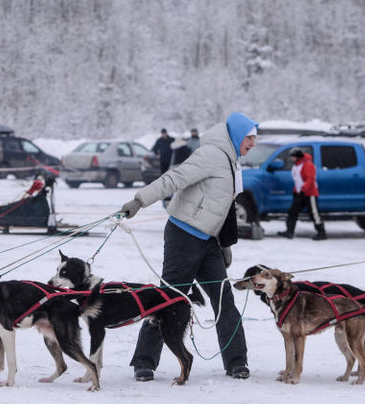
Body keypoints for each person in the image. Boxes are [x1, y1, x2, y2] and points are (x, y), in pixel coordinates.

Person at [119, 112, 257, 382]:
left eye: (254, 138)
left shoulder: (231, 162)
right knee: (167, 299)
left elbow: (224, 205)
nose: (253, 143)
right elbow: (174, 179)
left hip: (208, 242)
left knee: (223, 300)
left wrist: (224, 242)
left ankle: (237, 362)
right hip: (184, 237)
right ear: (238, 136)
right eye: (250, 138)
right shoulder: (211, 155)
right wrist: (139, 200)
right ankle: (144, 362)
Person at [278, 147, 325, 240]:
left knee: (314, 213)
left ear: (298, 157)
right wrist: (296, 191)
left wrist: (303, 190)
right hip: (300, 193)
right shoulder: (296, 165)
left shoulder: (307, 165)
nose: (291, 159)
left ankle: (321, 232)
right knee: (292, 211)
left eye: (293, 157)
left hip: (309, 193)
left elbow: (310, 179)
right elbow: (298, 180)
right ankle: (289, 231)